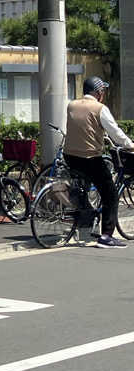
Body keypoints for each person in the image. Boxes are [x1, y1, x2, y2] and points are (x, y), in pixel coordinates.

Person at [63, 75, 134, 248]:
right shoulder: (100, 108)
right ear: (99, 92)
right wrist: (130, 145)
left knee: (87, 185)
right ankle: (106, 237)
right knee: (110, 194)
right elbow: (115, 132)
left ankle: (86, 217)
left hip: (70, 156)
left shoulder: (71, 105)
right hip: (89, 158)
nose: (104, 94)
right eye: (103, 91)